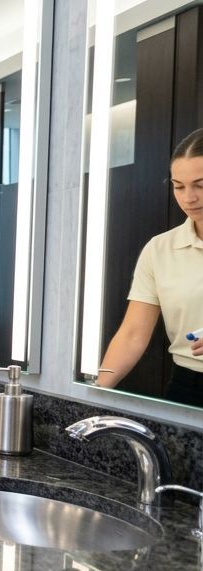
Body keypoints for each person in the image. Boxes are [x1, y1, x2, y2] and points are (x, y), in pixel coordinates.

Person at [98, 128, 203, 408]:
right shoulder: (159, 250)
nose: (189, 197)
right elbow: (132, 334)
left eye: (200, 185)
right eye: (179, 186)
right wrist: (95, 395)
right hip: (188, 387)